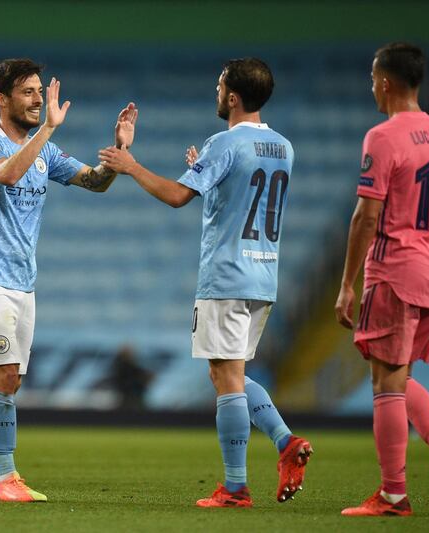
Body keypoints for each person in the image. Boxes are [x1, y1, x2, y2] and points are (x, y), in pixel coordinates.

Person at [99, 58, 312, 508]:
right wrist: (210, 175)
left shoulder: (224, 143)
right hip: (263, 275)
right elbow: (242, 196)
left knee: (225, 377)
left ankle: (236, 487)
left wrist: (130, 166)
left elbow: (178, 196)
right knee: (230, 373)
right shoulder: (283, 147)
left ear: (232, 96)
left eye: (220, 86)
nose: (216, 92)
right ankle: (285, 442)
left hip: (226, 275)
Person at [0, 58, 137, 503]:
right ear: (2, 99)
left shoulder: (45, 152)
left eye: (40, 91)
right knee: (3, 375)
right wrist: (48, 129)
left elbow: (94, 182)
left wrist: (116, 153)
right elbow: (9, 173)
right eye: (28, 92)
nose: (38, 99)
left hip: (23, 282)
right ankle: (7, 479)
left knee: (8, 381)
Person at [335, 42, 429, 517]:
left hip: (395, 268)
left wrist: (348, 283)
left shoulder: (383, 136)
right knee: (400, 374)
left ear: (386, 81)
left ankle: (393, 494)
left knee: (385, 383)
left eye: (373, 78)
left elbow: (365, 218)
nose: (371, 86)